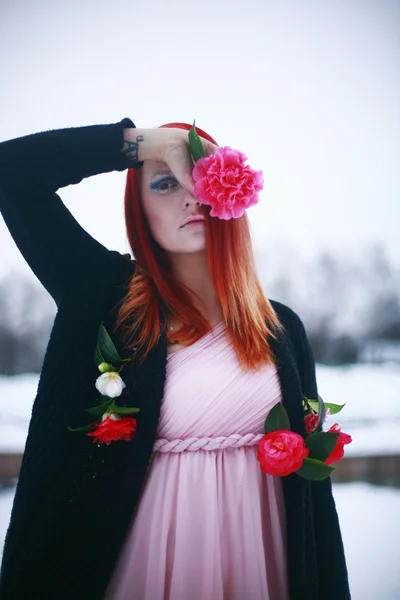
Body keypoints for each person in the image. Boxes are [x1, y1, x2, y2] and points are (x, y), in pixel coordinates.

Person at [0, 117, 351, 600]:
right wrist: (145, 144)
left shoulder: (281, 328)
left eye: (202, 178)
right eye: (165, 183)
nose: (190, 195)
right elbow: (12, 172)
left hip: (262, 569)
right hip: (139, 571)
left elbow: (316, 511)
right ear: (138, 211)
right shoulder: (103, 300)